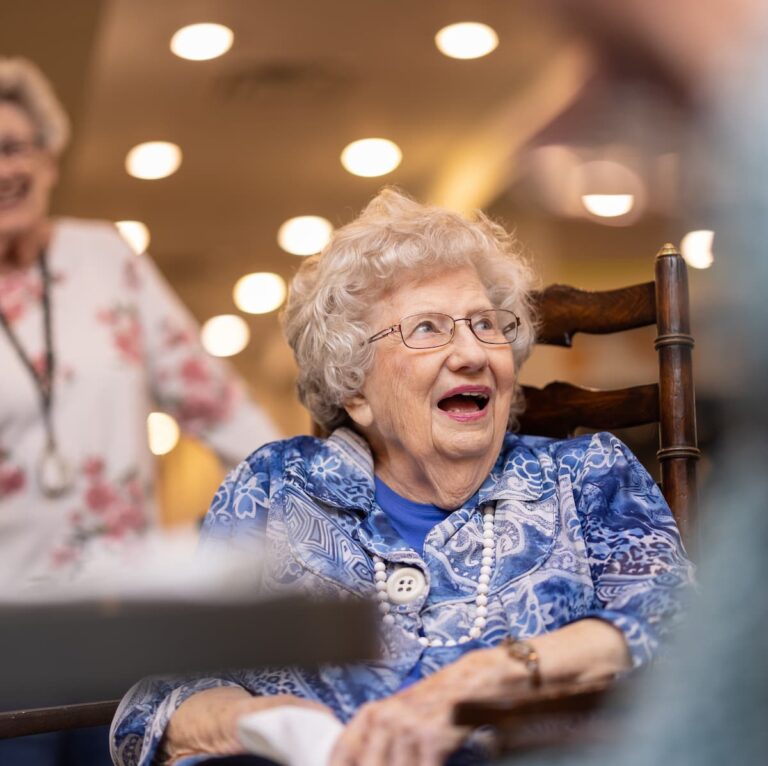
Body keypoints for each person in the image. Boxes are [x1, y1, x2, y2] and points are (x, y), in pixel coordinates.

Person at [111, 188, 694, 766]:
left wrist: (494, 673)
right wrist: (253, 722)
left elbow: (679, 623)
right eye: (428, 329)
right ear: (354, 388)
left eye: (487, 325)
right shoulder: (275, 488)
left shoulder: (586, 476)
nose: (472, 353)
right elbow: (159, 697)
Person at [0, 57, 280, 765]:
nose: (3, 169)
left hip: (115, 618)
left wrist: (307, 501)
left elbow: (213, 399)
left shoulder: (104, 258)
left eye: (13, 146)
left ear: (48, 154)